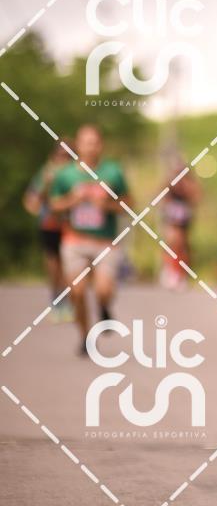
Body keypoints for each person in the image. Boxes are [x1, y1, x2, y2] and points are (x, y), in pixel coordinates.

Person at [50, 125, 130, 355]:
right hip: (74, 240)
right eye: (86, 142)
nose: (90, 147)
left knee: (103, 290)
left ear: (101, 145)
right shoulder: (65, 175)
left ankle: (104, 306)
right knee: (77, 292)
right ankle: (85, 336)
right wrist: (72, 200)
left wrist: (106, 205)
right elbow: (54, 205)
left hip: (104, 241)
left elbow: (128, 203)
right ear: (78, 145)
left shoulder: (113, 172)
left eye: (94, 142)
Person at [23, 141, 73, 321]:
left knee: (68, 264)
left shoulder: (75, 174)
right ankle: (56, 300)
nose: (64, 160)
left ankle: (68, 301)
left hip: (70, 226)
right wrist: (46, 183)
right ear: (54, 156)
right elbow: (31, 199)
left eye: (68, 156)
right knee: (53, 264)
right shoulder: (46, 173)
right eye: (61, 155)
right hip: (50, 224)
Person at [160, 158, 202, 290]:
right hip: (171, 218)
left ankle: (181, 274)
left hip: (183, 219)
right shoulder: (170, 183)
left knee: (182, 246)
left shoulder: (189, 184)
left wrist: (186, 186)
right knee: (172, 242)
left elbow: (196, 197)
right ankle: (170, 271)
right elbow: (162, 196)